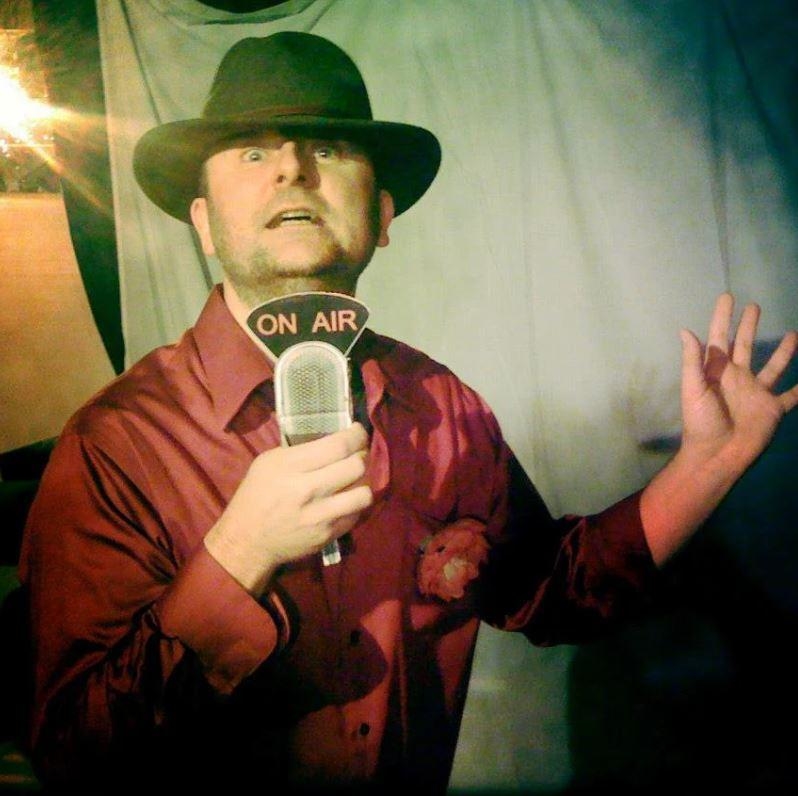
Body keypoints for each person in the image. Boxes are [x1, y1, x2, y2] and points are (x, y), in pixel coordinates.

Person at [19, 32, 798, 794]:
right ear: (203, 223)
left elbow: (553, 588)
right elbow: (72, 755)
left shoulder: (443, 408)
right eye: (253, 152)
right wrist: (237, 554)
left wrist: (709, 463)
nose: (292, 167)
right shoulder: (114, 445)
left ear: (382, 217)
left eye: (329, 149)